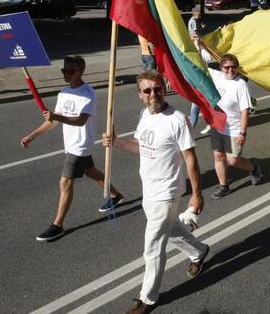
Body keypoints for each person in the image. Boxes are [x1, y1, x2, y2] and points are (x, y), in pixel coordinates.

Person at [102, 70, 210, 314]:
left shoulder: (177, 119)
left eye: (157, 88)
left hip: (167, 192)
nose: (153, 94)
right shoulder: (145, 115)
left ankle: (147, 298)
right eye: (147, 90)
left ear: (165, 88)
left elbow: (190, 159)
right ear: (140, 94)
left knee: (152, 246)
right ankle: (199, 251)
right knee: (171, 231)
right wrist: (117, 142)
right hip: (148, 190)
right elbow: (142, 147)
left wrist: (196, 193)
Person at [21, 55, 124, 242]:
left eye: (70, 71)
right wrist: (33, 135)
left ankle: (58, 225)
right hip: (70, 144)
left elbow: (81, 120)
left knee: (65, 182)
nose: (66, 74)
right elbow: (53, 120)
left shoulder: (88, 94)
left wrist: (56, 117)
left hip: (80, 145)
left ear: (81, 71)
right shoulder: (63, 92)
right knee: (90, 171)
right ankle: (115, 195)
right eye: (64, 70)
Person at [207, 54, 263, 199]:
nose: (230, 70)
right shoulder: (217, 76)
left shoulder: (240, 85)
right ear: (221, 67)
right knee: (219, 156)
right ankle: (224, 186)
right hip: (217, 124)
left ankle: (254, 168)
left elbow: (245, 111)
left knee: (233, 160)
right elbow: (197, 64)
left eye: (233, 67)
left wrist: (242, 133)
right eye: (227, 67)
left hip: (234, 128)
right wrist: (196, 43)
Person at [187, 6, 212, 135]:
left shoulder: (202, 54)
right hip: (200, 86)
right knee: (197, 109)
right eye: (199, 13)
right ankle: (190, 131)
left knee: (198, 109)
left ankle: (190, 132)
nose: (200, 15)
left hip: (202, 86)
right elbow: (194, 35)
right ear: (195, 13)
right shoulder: (192, 22)